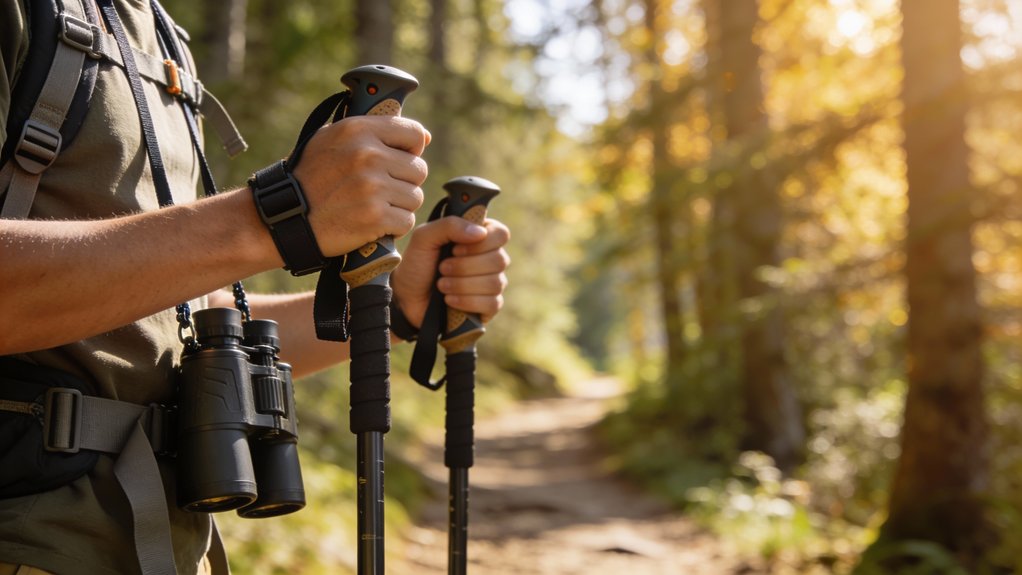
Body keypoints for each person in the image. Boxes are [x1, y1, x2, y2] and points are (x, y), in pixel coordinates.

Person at [0, 0, 511, 574]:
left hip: (168, 550)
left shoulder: (161, 36)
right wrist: (275, 217)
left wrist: (397, 312)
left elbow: (177, 320)